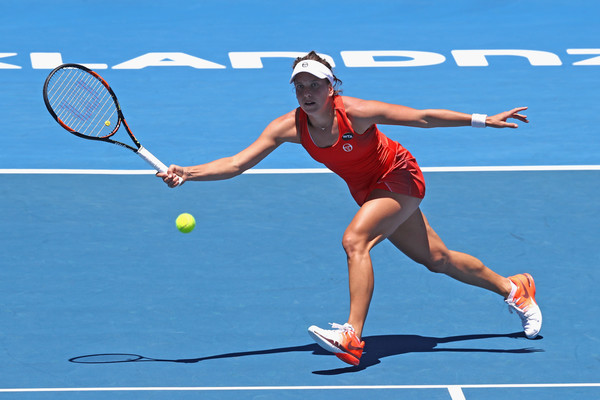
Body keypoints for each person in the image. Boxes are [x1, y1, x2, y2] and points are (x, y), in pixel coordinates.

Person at [158, 51, 542, 367]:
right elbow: (236, 164)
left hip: (399, 175)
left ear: (331, 87)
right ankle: (515, 289)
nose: (307, 92)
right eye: (300, 86)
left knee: (355, 240)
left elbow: (422, 117)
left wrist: (483, 120)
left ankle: (352, 337)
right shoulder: (288, 127)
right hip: (369, 191)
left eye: (315, 84)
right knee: (438, 259)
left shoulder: (355, 112)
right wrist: (187, 173)